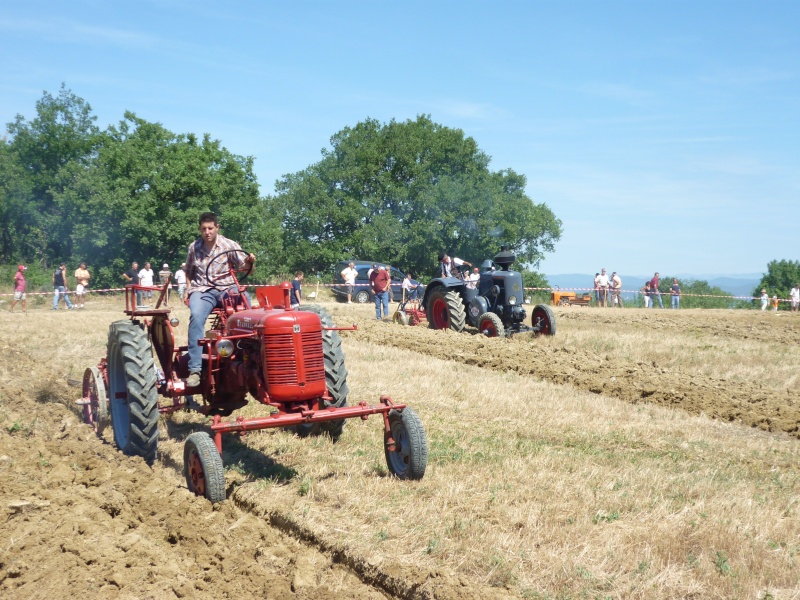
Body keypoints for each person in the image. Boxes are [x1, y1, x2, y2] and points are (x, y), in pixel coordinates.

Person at [185, 212, 255, 387]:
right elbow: (189, 271)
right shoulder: (194, 247)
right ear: (199, 229)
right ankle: (195, 369)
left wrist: (250, 261)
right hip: (203, 289)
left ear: (217, 227)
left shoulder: (229, 245)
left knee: (248, 310)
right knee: (196, 317)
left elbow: (247, 268)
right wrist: (188, 289)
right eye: (203, 229)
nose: (207, 232)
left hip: (226, 288)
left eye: (210, 228)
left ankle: (250, 357)